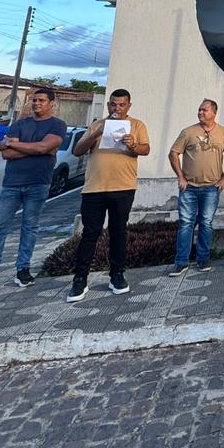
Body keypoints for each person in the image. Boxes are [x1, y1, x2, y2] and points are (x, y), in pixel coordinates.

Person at [0, 87, 67, 293]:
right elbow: (7, 154)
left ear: (52, 102)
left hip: (38, 183)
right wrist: (38, 149)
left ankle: (23, 269)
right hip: (12, 183)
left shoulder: (57, 125)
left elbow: (41, 148)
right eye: (34, 100)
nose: (37, 103)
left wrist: (18, 145)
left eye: (41, 100)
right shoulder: (20, 124)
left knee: (30, 227)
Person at [65, 89, 151, 301]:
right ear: (108, 105)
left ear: (129, 106)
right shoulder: (97, 125)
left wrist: (133, 145)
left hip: (123, 187)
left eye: (121, 105)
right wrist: (95, 134)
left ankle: (117, 275)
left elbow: (145, 149)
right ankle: (80, 279)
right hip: (94, 188)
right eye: (113, 104)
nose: (116, 108)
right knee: (90, 234)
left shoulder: (137, 125)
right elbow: (78, 151)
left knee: (118, 231)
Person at [168, 100, 224, 275]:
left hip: (211, 188)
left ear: (214, 112)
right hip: (189, 188)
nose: (200, 112)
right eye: (199, 109)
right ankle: (181, 262)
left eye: (204, 110)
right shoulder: (188, 132)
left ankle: (202, 259)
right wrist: (180, 177)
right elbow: (173, 153)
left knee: (206, 223)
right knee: (186, 223)